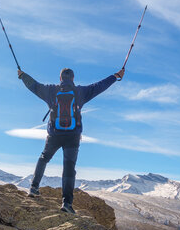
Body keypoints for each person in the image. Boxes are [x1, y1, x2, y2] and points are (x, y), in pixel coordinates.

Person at [18, 67, 125, 214]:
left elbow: (34, 86)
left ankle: (34, 188)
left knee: (44, 157)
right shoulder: (80, 92)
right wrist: (116, 76)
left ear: (60, 78)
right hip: (73, 137)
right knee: (69, 169)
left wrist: (23, 75)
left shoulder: (51, 91)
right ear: (73, 79)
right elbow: (99, 86)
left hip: (54, 135)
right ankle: (67, 204)